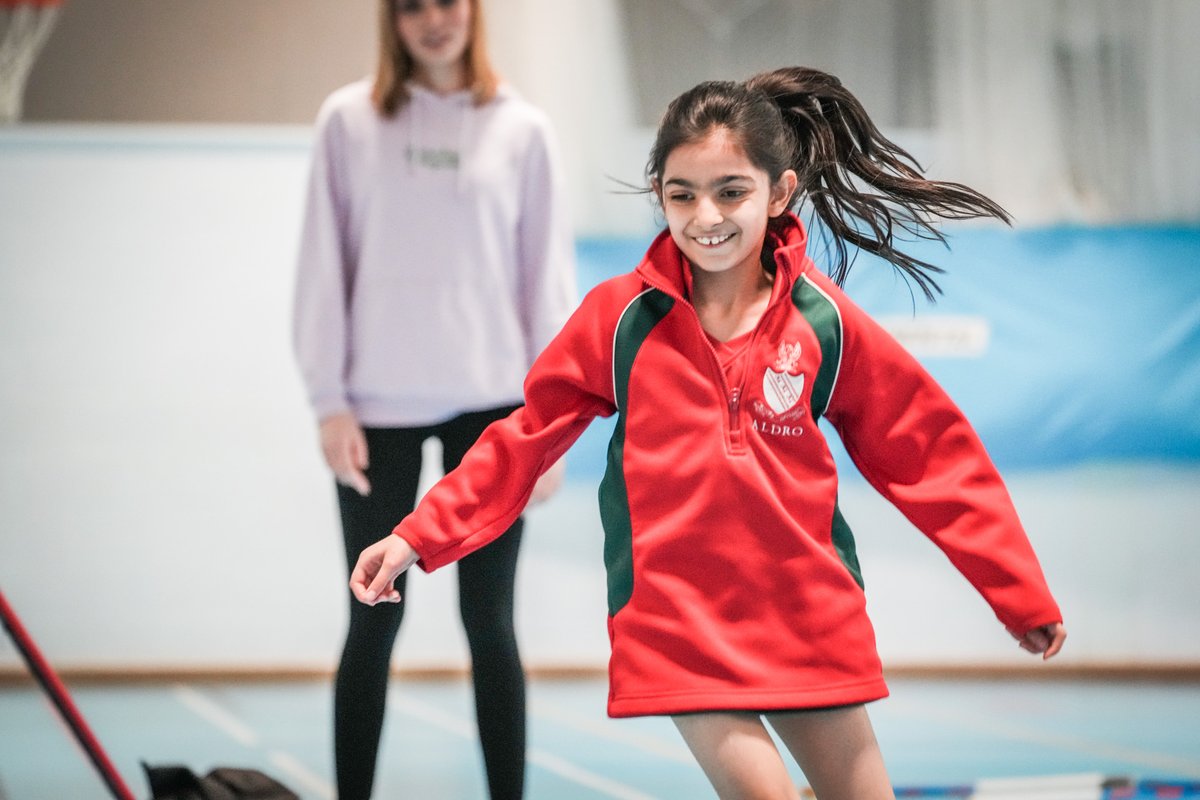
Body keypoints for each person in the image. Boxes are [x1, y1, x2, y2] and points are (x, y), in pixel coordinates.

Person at [348, 66, 1067, 800]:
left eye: (731, 191)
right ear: (658, 195)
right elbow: (522, 439)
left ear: (779, 193)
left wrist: (1020, 595)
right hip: (678, 625)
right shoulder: (619, 318)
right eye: (681, 194)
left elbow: (934, 456)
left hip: (809, 618)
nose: (705, 216)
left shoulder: (827, 324)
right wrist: (416, 536)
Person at [291, 0, 577, 797]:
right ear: (392, 20)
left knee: (490, 625)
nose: (432, 20)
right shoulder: (347, 122)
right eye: (411, 5)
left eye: (447, 1)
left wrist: (546, 428)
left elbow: (545, 284)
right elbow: (322, 266)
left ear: (474, 12)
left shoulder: (522, 130)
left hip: (494, 409)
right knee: (371, 621)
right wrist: (328, 401)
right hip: (374, 410)